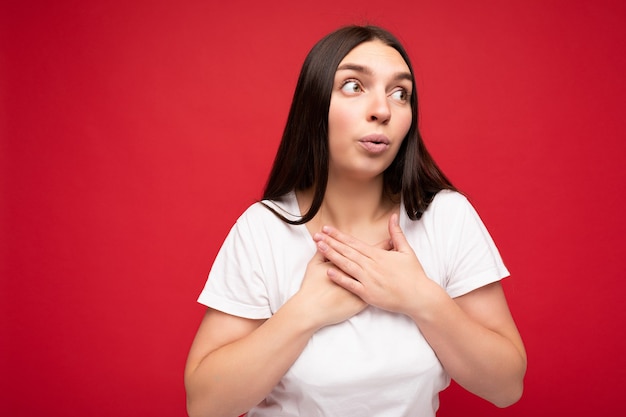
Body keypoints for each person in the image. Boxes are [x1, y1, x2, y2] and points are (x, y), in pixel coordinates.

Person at [184, 25, 526, 417]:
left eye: (401, 93)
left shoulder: (446, 218)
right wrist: (304, 312)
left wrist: (421, 298)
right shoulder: (263, 229)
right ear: (313, 105)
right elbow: (205, 405)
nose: (383, 110)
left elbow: (506, 386)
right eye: (354, 86)